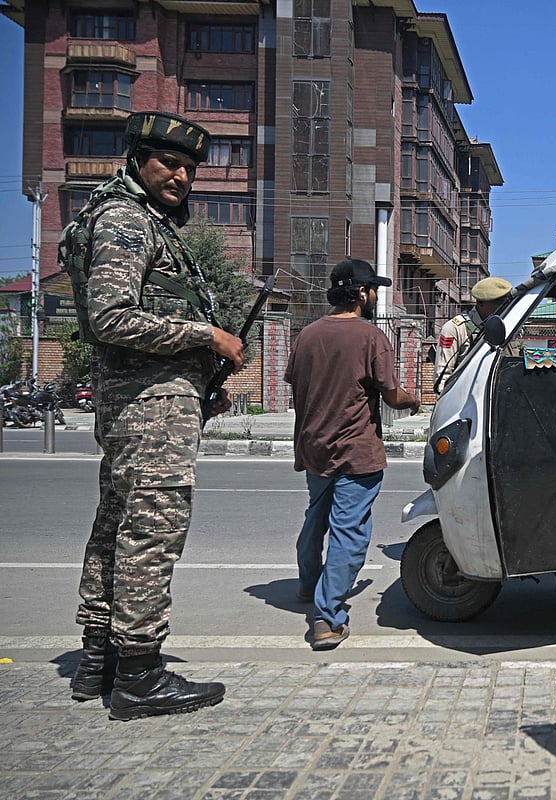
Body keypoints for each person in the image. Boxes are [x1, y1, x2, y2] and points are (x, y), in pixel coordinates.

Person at [66, 111, 245, 721]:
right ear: (137, 160)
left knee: (117, 526)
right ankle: (139, 675)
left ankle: (100, 661)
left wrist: (200, 376)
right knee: (151, 531)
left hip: (147, 400)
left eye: (189, 169)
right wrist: (207, 336)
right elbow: (111, 316)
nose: (180, 176)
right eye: (168, 163)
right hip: (149, 408)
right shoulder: (126, 220)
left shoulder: (138, 219)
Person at [286, 258, 418, 650]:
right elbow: (391, 394)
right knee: (349, 530)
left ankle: (309, 585)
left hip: (314, 445)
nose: (377, 296)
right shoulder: (371, 338)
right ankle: (327, 618)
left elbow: (296, 388)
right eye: (374, 289)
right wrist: (412, 400)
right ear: (361, 293)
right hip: (356, 449)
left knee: (316, 516)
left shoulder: (307, 335)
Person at [433, 276, 512, 383]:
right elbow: (442, 375)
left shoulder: (503, 325)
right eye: (497, 303)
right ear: (480, 303)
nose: (502, 308)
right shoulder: (456, 327)